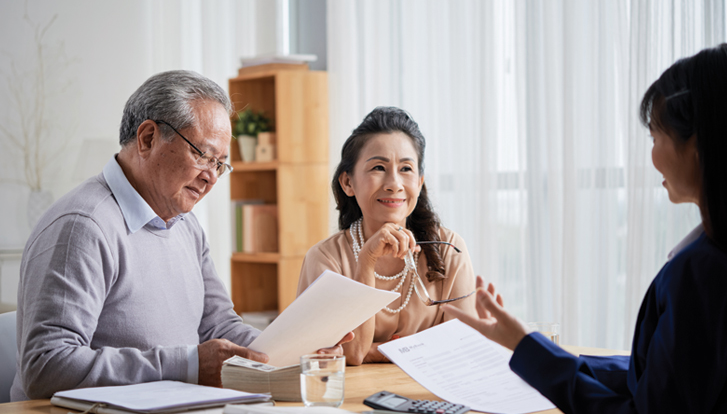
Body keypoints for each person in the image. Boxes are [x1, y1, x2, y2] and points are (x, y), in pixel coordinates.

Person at [11, 70, 349, 401]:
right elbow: (46, 367)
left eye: (220, 164)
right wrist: (185, 364)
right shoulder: (83, 226)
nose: (211, 178)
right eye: (202, 155)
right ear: (147, 139)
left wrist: (295, 348)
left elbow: (218, 327)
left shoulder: (185, 224)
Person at [443, 44, 727, 413]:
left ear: (698, 145)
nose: (652, 156)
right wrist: (528, 345)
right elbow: (663, 374)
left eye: (656, 138)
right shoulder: (709, 253)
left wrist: (528, 349)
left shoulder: (701, 270)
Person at [297, 107, 483, 365]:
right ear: (348, 183)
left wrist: (378, 350)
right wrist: (367, 261)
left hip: (429, 394)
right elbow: (347, 356)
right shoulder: (325, 259)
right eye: (378, 167)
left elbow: (461, 345)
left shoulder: (450, 249)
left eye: (406, 168)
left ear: (419, 182)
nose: (394, 183)